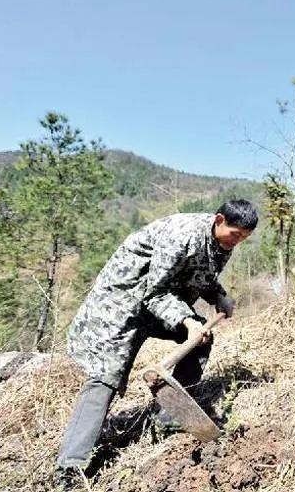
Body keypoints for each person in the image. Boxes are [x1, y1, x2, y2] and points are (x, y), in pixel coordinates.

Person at [55, 200, 258, 488]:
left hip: (160, 302)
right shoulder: (181, 235)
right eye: (235, 234)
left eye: (244, 238)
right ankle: (70, 467)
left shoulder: (221, 242)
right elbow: (154, 292)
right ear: (220, 219)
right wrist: (188, 322)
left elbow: (200, 274)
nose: (237, 242)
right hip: (122, 305)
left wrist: (218, 296)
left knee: (201, 342)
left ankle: (168, 418)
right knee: (106, 378)